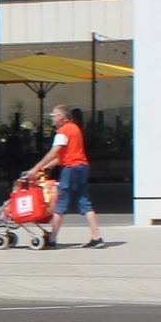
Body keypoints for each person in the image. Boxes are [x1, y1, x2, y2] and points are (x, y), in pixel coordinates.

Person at [26, 103, 102, 248]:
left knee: (61, 203)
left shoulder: (63, 131)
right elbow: (68, 153)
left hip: (71, 169)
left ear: (62, 116)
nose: (52, 118)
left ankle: (52, 239)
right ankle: (96, 237)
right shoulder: (75, 129)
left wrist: (35, 169)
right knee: (85, 202)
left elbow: (55, 151)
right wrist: (51, 165)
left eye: (54, 116)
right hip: (82, 167)